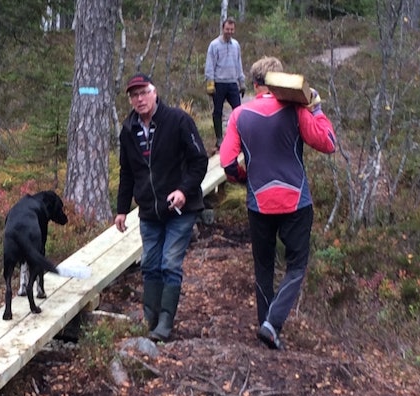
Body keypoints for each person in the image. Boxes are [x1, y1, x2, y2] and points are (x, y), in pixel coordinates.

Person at [219, 57, 337, 351]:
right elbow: (328, 143)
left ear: (255, 84)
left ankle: (265, 326)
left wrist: (247, 179)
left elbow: (227, 164)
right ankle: (272, 324)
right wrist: (317, 109)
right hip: (296, 200)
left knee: (263, 266)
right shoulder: (296, 110)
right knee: (296, 266)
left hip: (258, 202)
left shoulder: (239, 115)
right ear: (278, 81)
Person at [114, 73, 210, 342]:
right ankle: (150, 318)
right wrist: (122, 209)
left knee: (170, 263)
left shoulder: (178, 121)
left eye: (144, 92)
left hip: (181, 208)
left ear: (155, 93)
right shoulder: (128, 130)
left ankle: (165, 322)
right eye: (134, 95)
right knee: (150, 264)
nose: (140, 99)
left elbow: (199, 161)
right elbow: (127, 172)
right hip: (148, 210)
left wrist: (183, 190)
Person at [204, 18, 245, 150]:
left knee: (239, 111)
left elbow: (239, 64)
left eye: (232, 29)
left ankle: (240, 137)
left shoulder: (236, 45)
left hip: (232, 83)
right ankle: (219, 139)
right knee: (217, 112)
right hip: (219, 83)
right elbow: (210, 65)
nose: (229, 32)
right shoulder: (214, 45)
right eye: (227, 29)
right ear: (223, 28)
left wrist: (242, 82)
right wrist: (210, 84)